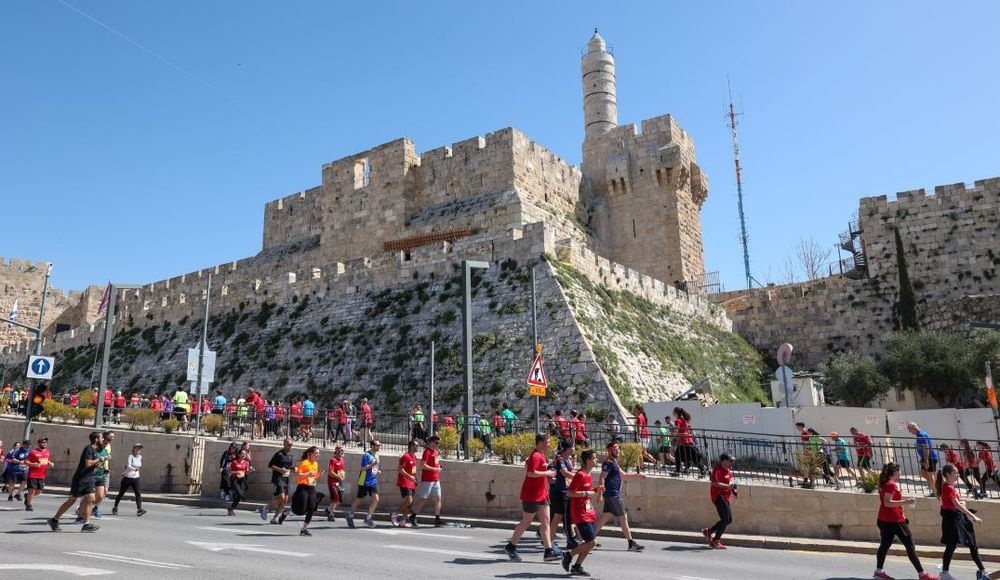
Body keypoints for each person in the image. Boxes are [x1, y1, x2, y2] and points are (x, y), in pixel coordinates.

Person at [872, 462, 938, 580]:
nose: (901, 472)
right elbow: (887, 502)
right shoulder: (891, 485)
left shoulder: (886, 484)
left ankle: (878, 572)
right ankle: (922, 575)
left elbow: (888, 502)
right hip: (894, 520)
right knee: (910, 546)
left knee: (885, 545)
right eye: (899, 470)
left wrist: (902, 508)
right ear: (896, 471)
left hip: (884, 519)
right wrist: (906, 502)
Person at [503, 434, 561, 563]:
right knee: (526, 522)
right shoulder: (535, 455)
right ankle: (511, 546)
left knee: (546, 522)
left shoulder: (541, 456)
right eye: (548, 442)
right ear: (540, 443)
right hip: (531, 495)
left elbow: (537, 472)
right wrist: (546, 473)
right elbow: (530, 473)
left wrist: (550, 476)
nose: (549, 444)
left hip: (542, 495)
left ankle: (548, 551)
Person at [936, 464, 987, 580]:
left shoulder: (949, 487)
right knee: (952, 545)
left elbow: (952, 503)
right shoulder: (948, 487)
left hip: (958, 518)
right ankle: (944, 573)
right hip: (953, 520)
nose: (958, 474)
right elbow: (956, 505)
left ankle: (982, 570)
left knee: (971, 544)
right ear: (948, 474)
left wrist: (962, 504)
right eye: (955, 472)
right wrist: (973, 516)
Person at [594, 440, 645, 551]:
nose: (617, 451)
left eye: (618, 449)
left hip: (611, 495)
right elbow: (602, 477)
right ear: (609, 450)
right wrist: (600, 493)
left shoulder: (614, 463)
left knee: (604, 517)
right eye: (615, 449)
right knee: (623, 518)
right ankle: (631, 543)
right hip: (613, 495)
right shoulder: (608, 463)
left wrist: (638, 475)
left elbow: (624, 475)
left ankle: (589, 539)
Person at [49, 431, 103, 533]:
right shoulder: (88, 449)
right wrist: (99, 460)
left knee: (91, 499)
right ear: (96, 439)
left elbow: (92, 465)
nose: (103, 439)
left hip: (89, 479)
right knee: (71, 500)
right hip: (80, 479)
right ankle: (54, 520)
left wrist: (98, 464)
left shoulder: (95, 450)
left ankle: (86, 524)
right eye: (101, 437)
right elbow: (87, 464)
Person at [561, 449, 601, 577]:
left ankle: (577, 566)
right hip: (580, 514)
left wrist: (595, 489)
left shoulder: (587, 474)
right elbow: (570, 493)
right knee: (592, 542)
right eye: (594, 458)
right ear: (588, 461)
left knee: (590, 543)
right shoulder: (580, 475)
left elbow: (587, 491)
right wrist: (586, 493)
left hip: (588, 513)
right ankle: (568, 555)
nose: (596, 460)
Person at [701, 453, 736, 549]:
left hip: (726, 497)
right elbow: (714, 483)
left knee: (728, 520)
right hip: (718, 497)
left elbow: (731, 480)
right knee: (725, 519)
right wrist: (728, 486)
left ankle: (709, 531)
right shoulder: (717, 469)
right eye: (730, 461)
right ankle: (716, 540)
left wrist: (733, 488)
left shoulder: (728, 470)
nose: (731, 463)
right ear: (724, 461)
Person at [409, 435, 444, 527]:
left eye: (438, 443)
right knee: (423, 498)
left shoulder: (435, 452)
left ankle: (437, 518)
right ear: (431, 442)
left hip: (436, 479)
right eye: (436, 443)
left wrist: (438, 467)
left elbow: (435, 463)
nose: (438, 445)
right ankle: (413, 515)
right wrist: (435, 469)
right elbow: (422, 466)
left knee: (438, 498)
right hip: (428, 479)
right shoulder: (427, 452)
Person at [346, 440, 381, 528]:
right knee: (359, 500)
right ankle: (350, 516)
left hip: (373, 481)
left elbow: (374, 468)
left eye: (380, 445)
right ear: (372, 446)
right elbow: (363, 468)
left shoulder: (377, 455)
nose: (379, 447)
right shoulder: (366, 455)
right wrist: (373, 465)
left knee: (376, 499)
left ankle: (368, 518)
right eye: (377, 445)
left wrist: (377, 470)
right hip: (364, 481)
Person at [291, 446, 322, 536]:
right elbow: (299, 474)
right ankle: (286, 512)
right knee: (301, 510)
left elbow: (314, 477)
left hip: (312, 487)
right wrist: (307, 473)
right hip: (303, 487)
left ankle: (304, 529)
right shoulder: (304, 462)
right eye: (316, 453)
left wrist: (319, 474)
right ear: (310, 454)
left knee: (312, 507)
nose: (318, 455)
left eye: (318, 453)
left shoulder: (315, 463)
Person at [262, 438, 294, 524]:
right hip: (278, 478)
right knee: (281, 497)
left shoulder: (291, 455)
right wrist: (280, 470)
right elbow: (270, 465)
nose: (291, 446)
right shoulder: (278, 454)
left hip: (286, 479)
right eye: (289, 444)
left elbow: (289, 467)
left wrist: (293, 468)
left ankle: (275, 518)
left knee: (285, 500)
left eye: (291, 445)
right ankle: (266, 508)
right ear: (284, 444)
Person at [549, 441, 575, 542]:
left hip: (567, 491)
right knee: (558, 517)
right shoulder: (560, 460)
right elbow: (565, 473)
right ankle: (548, 541)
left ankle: (570, 540)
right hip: (560, 492)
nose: (573, 449)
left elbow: (570, 473)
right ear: (568, 449)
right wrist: (578, 477)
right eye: (572, 447)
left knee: (567, 518)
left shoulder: (568, 460)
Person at [112, 443, 146, 516]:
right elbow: (129, 465)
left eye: (139, 448)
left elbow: (138, 466)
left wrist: (135, 470)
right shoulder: (130, 456)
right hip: (128, 478)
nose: (138, 450)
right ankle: (115, 507)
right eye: (137, 448)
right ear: (133, 449)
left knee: (138, 493)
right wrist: (133, 469)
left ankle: (139, 509)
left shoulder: (140, 457)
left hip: (136, 478)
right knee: (121, 493)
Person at [391, 440, 419, 528]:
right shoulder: (405, 456)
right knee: (409, 500)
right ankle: (394, 514)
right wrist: (410, 477)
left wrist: (415, 479)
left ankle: (403, 521)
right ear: (411, 446)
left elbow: (413, 471)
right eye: (416, 445)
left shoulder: (414, 456)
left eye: (418, 446)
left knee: (409, 503)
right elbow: (400, 469)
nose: (417, 447)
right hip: (404, 482)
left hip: (411, 482)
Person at [906, 422, 938, 496]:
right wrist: (923, 458)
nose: (909, 431)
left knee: (930, 475)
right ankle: (936, 486)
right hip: (927, 457)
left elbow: (926, 447)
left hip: (930, 457)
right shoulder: (919, 434)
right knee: (923, 473)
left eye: (909, 429)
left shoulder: (921, 435)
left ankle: (936, 491)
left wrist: (926, 460)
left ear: (913, 428)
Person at [672, 407, 705, 477]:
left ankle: (702, 471)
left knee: (692, 458)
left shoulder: (677, 420)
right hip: (687, 441)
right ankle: (679, 471)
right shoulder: (684, 420)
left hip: (684, 442)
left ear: (675, 413)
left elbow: (676, 431)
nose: (672, 413)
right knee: (680, 456)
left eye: (673, 412)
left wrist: (673, 437)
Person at [24, 437, 52, 511]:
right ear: (38, 443)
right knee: (32, 490)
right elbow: (25, 462)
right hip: (32, 474)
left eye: (46, 442)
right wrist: (33, 464)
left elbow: (46, 461)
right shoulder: (33, 452)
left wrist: (50, 463)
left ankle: (27, 496)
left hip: (42, 475)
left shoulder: (47, 452)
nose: (45, 443)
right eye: (43, 442)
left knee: (38, 491)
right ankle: (29, 505)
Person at [227, 448, 252, 516]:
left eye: (245, 454)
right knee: (240, 494)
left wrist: (250, 470)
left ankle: (231, 508)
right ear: (239, 454)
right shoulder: (234, 462)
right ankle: (243, 498)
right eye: (242, 453)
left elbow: (246, 472)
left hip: (242, 480)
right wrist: (236, 472)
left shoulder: (246, 462)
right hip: (234, 480)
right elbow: (229, 471)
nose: (244, 455)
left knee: (239, 495)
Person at [325, 445, 346, 521]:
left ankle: (328, 509)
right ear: (336, 451)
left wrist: (342, 476)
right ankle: (331, 515)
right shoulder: (333, 460)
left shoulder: (342, 459)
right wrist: (338, 477)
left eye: (342, 450)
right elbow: (330, 472)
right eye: (340, 450)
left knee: (339, 500)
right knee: (335, 498)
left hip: (339, 482)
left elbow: (341, 471)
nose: (341, 452)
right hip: (332, 482)